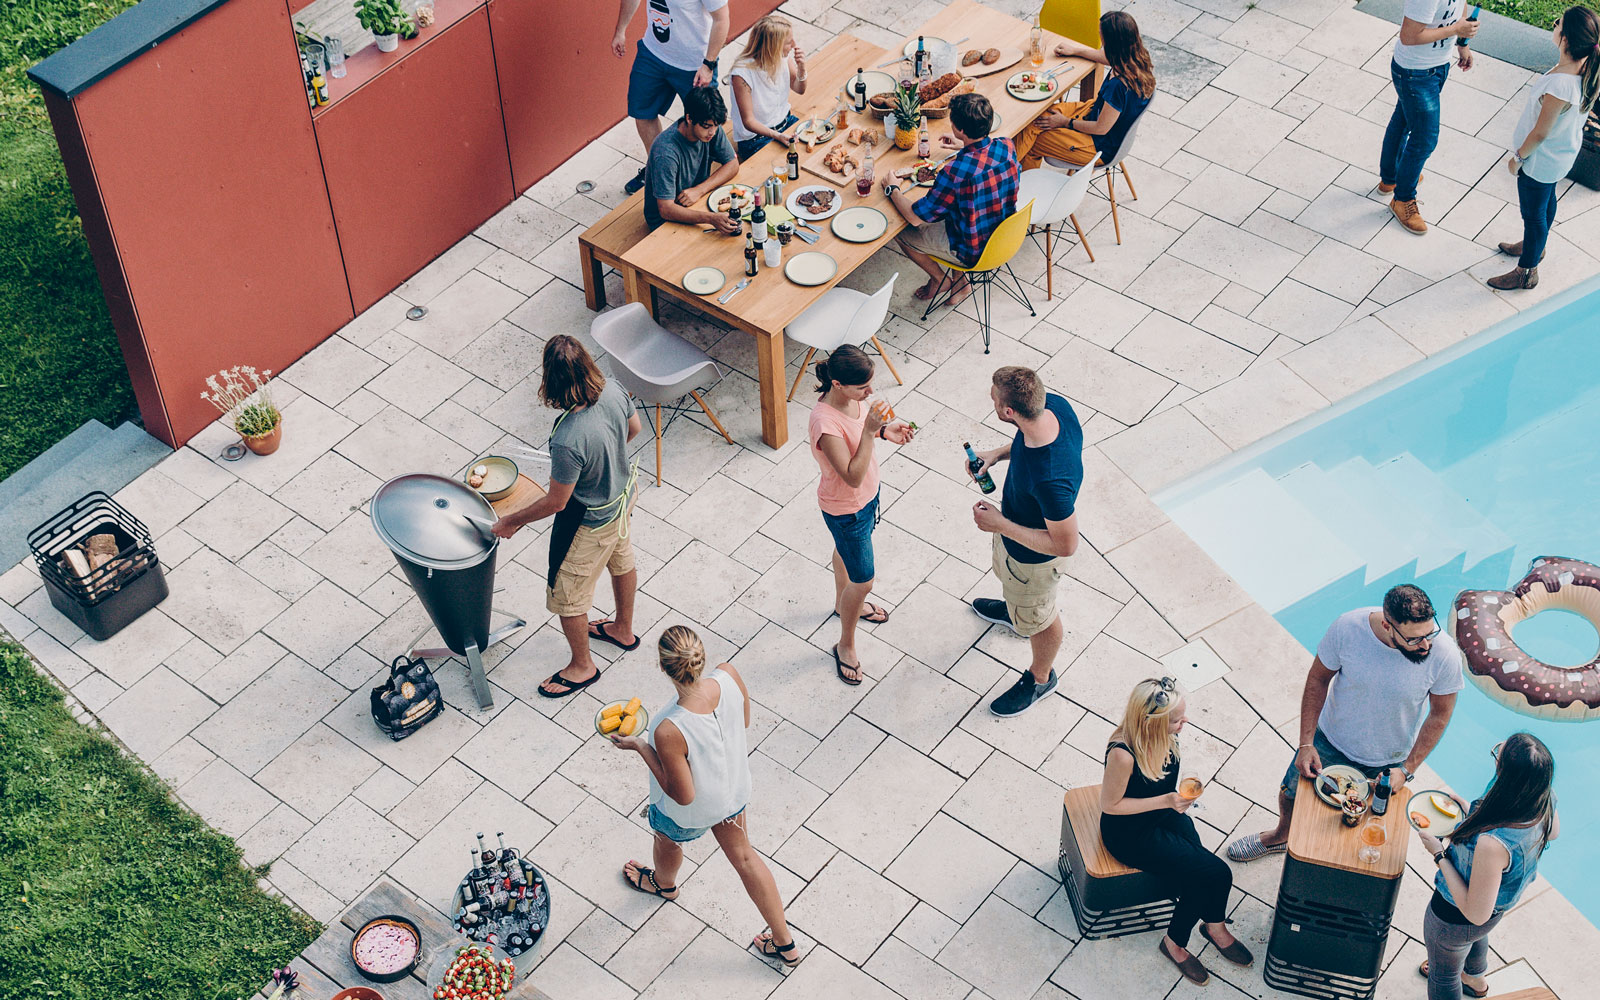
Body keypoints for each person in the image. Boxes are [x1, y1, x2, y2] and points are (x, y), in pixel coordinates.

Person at [1227, 584, 1464, 862]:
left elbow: (1440, 715)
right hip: (1328, 741)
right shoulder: (1348, 628)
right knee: (1291, 793)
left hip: (1387, 762)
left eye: (1429, 633)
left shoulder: (1445, 655)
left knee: (1359, 821)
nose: (1425, 645)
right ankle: (1281, 835)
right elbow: (1318, 679)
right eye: (1414, 639)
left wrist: (1406, 770)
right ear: (1388, 625)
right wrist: (1306, 743)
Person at [610, 626, 802, 968]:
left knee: (668, 840)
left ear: (663, 667)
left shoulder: (670, 728)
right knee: (746, 859)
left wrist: (641, 746)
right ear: (701, 656)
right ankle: (785, 943)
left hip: (693, 811)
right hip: (732, 792)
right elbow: (742, 721)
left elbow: (682, 795)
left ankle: (664, 885)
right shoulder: (728, 674)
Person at [492, 336, 643, 698]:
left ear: (552, 380)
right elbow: (634, 430)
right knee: (621, 560)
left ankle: (582, 667)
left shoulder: (567, 438)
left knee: (567, 596)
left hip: (589, 522)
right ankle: (623, 629)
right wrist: (605, 459)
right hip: (622, 500)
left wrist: (512, 520)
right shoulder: (614, 389)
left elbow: (557, 503)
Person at [1102, 678, 1251, 986]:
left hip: (1162, 816)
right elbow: (1110, 805)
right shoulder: (1123, 752)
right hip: (1130, 833)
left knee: (1201, 875)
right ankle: (1179, 942)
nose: (1185, 722)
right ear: (1151, 721)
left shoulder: (1166, 736)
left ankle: (1211, 926)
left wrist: (1172, 803)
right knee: (1217, 873)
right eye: (1177, 719)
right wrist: (1167, 800)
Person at [967, 367, 1082, 717]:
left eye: (994, 398)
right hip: (1014, 543)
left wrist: (1000, 523)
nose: (991, 399)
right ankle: (1018, 615)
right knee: (1016, 595)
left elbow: (1065, 545)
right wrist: (996, 455)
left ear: (1008, 412)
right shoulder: (1054, 407)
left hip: (1034, 563)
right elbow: (1025, 441)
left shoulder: (1051, 481)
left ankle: (1041, 678)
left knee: (1041, 617)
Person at [1414, 733, 1557, 1000]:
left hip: (1454, 918)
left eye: (1498, 756)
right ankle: (1474, 980)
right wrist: (1466, 811)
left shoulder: (1493, 845)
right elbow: (1554, 832)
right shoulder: (1541, 798)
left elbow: (1474, 912)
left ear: (1507, 776)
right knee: (1475, 936)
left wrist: (1437, 854)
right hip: (1494, 909)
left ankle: (1463, 979)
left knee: (1443, 976)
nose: (1496, 758)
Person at [807, 345, 915, 685]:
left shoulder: (855, 400)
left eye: (870, 385)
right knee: (864, 580)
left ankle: (843, 604)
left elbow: (861, 439)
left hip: (867, 499)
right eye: (862, 389)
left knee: (846, 552)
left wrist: (885, 431)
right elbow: (851, 474)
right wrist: (871, 430)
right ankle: (846, 644)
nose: (869, 393)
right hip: (847, 509)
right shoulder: (825, 423)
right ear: (837, 384)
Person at [1486, 6, 1598, 290]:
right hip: (1559, 158)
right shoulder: (1585, 67)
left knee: (1534, 213)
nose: (1554, 24)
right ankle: (1536, 245)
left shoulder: (1560, 86)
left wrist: (1517, 159)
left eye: (1557, 23)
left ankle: (1527, 271)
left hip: (1540, 161)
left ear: (1566, 39)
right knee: (1546, 202)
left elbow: (1540, 132)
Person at [882, 92, 1018, 308]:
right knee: (960, 210)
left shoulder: (954, 172)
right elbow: (982, 164)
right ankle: (960, 283)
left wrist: (892, 189)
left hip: (972, 249)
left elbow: (915, 217)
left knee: (901, 232)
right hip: (1005, 234)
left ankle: (940, 279)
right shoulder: (1007, 145)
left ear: (960, 129)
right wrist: (963, 146)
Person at [1379, 0, 1479, 234]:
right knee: (1424, 138)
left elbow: (1460, 7)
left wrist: (1463, 44)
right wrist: (1456, 31)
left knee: (1403, 120)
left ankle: (1391, 178)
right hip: (1415, 73)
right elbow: (1410, 36)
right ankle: (1402, 199)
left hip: (1436, 67)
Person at [1012, 11, 1156, 171]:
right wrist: (1075, 51)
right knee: (1038, 119)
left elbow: (1100, 128)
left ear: (1112, 43)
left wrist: (1066, 122)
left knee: (1035, 141)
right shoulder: (1136, 58)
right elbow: (1106, 58)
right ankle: (1005, 168)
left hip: (1099, 146)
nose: (1101, 40)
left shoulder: (1119, 86)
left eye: (1102, 37)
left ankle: (1008, 181)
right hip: (1095, 112)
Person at [614, 0, 731, 195]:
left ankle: (700, 178)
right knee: (642, 112)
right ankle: (658, 170)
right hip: (653, 53)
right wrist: (620, 30)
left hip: (694, 64)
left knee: (705, 121)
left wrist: (708, 64)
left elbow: (722, 19)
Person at [643, 86, 742, 233]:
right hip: (666, 220)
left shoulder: (711, 126)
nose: (712, 132)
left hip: (697, 201)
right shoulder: (666, 152)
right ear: (689, 118)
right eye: (707, 126)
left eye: (716, 126)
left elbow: (733, 164)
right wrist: (710, 218)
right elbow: (665, 209)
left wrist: (700, 190)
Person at [729, 14, 808, 162]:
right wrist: (777, 136)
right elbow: (749, 121)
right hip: (756, 139)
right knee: (788, 164)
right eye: (789, 42)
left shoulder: (783, 58)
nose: (794, 45)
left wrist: (802, 68)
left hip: (786, 122)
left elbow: (799, 89)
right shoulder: (742, 75)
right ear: (774, 46)